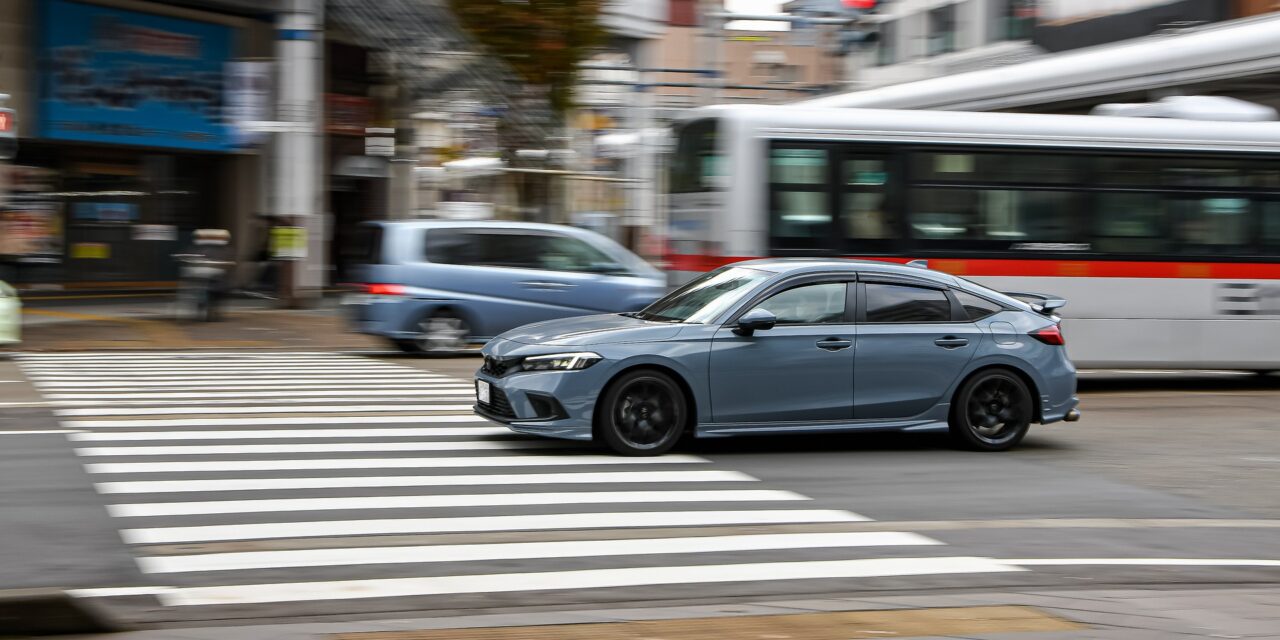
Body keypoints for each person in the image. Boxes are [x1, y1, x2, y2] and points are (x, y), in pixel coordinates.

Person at [176, 229, 235, 321]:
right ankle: (202, 308)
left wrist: (224, 264)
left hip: (217, 277)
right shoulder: (195, 248)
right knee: (196, 290)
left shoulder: (225, 249)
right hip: (199, 275)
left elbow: (228, 262)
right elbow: (188, 257)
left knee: (219, 292)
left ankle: (213, 310)